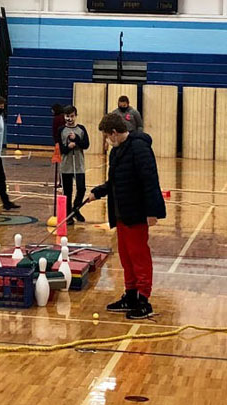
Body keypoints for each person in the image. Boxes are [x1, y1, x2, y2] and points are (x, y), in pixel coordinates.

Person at [87, 113, 166, 320]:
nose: (106, 140)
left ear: (114, 133)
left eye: (106, 136)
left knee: (139, 256)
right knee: (126, 255)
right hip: (121, 212)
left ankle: (143, 300)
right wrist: (98, 192)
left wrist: (152, 212)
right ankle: (130, 295)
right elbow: (114, 181)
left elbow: (150, 180)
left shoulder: (139, 148)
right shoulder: (116, 152)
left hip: (137, 212)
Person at [59, 105, 90, 224]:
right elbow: (59, 148)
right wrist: (67, 147)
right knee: (67, 191)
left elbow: (86, 144)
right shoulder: (61, 130)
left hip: (79, 164)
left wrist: (76, 139)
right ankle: (68, 216)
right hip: (66, 165)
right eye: (67, 116)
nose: (69, 119)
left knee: (81, 188)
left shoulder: (81, 129)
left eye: (72, 116)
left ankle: (76, 208)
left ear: (75, 116)